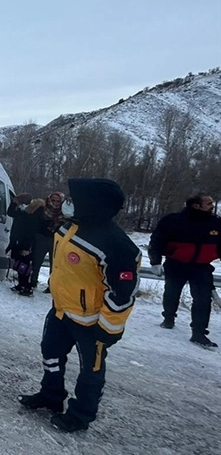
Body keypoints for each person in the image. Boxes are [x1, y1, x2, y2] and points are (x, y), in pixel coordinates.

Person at [18, 178, 141, 432]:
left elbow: (123, 293)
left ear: (92, 204)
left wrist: (108, 329)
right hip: (61, 311)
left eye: (74, 199)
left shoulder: (117, 245)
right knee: (50, 353)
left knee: (90, 372)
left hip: (91, 322)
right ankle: (51, 396)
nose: (67, 203)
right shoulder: (70, 226)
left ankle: (81, 414)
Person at [148, 193, 221, 348]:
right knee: (172, 294)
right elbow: (157, 240)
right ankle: (168, 318)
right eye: (208, 203)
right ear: (196, 205)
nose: (212, 206)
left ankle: (199, 333)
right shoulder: (174, 221)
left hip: (202, 267)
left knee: (203, 300)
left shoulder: (216, 223)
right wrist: (155, 261)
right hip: (176, 264)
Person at [29, 191, 67, 294]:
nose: (55, 203)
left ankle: (51, 285)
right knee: (37, 261)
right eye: (53, 200)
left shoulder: (65, 213)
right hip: (41, 237)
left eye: (58, 201)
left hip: (56, 240)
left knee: (54, 264)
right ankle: (32, 282)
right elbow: (34, 222)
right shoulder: (42, 209)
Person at [6, 193, 43, 296]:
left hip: (26, 242)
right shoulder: (25, 212)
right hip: (20, 240)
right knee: (20, 264)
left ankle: (27, 287)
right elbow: (11, 213)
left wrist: (27, 247)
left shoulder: (32, 213)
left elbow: (31, 231)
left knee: (24, 265)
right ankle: (22, 284)